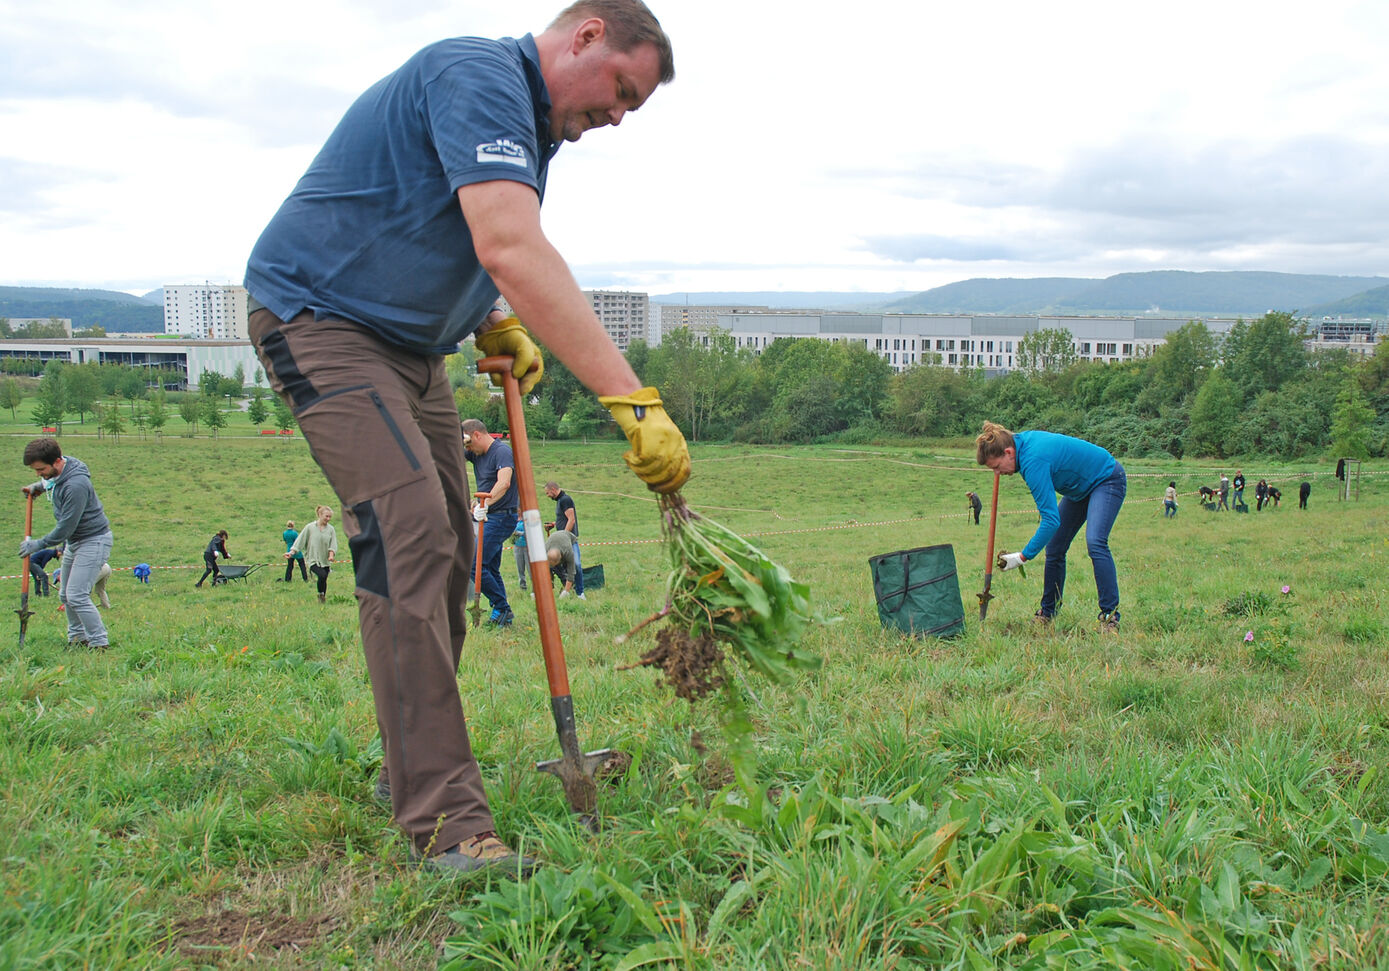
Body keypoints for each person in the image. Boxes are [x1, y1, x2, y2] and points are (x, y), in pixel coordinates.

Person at [242, 0, 688, 876]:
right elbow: (510, 242)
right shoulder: (476, 75)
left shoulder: (531, 126)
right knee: (407, 535)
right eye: (620, 91)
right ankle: (447, 825)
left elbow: (447, 232)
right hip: (321, 319)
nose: (616, 117)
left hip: (409, 347)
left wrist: (490, 316)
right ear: (586, 34)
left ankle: (410, 765)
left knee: (453, 552)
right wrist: (628, 399)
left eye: (633, 108)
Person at [975, 421, 1126, 631]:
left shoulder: (1032, 460)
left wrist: (1022, 557)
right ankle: (1048, 612)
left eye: (997, 467)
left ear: (1009, 452)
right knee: (1055, 548)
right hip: (1078, 491)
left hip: (1106, 479)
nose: (998, 474)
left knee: (1095, 542)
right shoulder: (1015, 443)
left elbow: (1051, 520)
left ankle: (1110, 617)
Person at [18, 438, 114, 649]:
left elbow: (66, 528)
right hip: (75, 542)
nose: (38, 473)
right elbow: (50, 481)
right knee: (65, 594)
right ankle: (78, 639)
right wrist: (39, 486)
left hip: (93, 540)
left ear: (57, 461)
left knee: (77, 595)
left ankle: (99, 643)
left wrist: (39, 544)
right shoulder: (61, 472)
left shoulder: (76, 485)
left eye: (41, 469)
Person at [463, 419, 519, 626]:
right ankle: (503, 614)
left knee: (474, 565)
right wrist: (461, 440)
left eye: (469, 444)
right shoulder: (476, 453)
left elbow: (503, 483)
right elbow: (450, 450)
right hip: (488, 516)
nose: (469, 450)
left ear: (477, 435)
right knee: (490, 567)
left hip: (502, 516)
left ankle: (502, 607)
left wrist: (484, 503)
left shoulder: (501, 452)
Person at [289, 506, 338, 603]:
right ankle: (320, 595)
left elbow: (333, 544)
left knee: (324, 578)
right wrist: (292, 552)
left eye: (330, 517)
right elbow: (300, 540)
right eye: (326, 516)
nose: (328, 519)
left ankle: (322, 597)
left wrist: (331, 555)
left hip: (325, 560)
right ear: (320, 515)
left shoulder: (331, 529)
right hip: (313, 559)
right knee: (322, 575)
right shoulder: (310, 527)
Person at [545, 481, 585, 597]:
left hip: (569, 541)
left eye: (548, 493)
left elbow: (571, 519)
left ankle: (580, 593)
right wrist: (553, 524)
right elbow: (564, 518)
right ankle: (567, 589)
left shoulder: (565, 500)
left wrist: (564, 536)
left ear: (553, 489)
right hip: (562, 540)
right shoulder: (559, 501)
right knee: (558, 566)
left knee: (576, 564)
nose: (547, 495)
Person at [545, 528, 580, 596]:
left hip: (570, 539)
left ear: (560, 559)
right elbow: (542, 573)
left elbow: (571, 572)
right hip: (554, 541)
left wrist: (566, 591)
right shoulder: (545, 551)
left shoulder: (568, 552)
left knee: (577, 565)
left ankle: (580, 592)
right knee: (551, 569)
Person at [511, 519, 529, 592]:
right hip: (517, 547)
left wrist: (519, 533)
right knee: (520, 569)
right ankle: (522, 587)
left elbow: (529, 533)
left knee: (530, 569)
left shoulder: (527, 520)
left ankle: (535, 588)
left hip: (528, 547)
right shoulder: (515, 520)